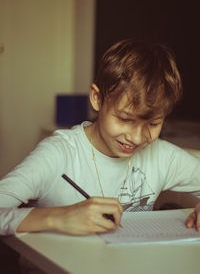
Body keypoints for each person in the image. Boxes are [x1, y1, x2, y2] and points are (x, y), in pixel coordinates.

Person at [0, 38, 200, 237]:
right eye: (124, 119)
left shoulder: (161, 156)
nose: (137, 138)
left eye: (153, 124)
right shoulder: (59, 153)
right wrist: (58, 217)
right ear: (97, 98)